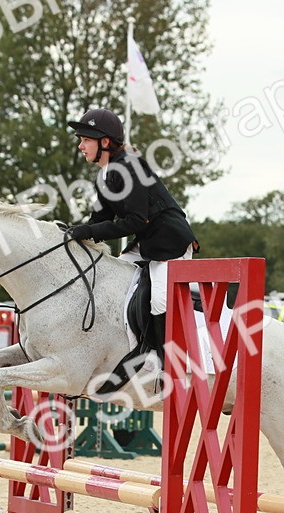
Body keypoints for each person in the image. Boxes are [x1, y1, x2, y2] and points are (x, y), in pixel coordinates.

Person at [64, 108, 198, 356]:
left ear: (104, 142)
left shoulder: (130, 167)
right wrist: (74, 232)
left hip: (170, 243)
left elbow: (136, 221)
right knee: (108, 281)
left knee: (159, 300)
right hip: (147, 244)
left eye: (85, 140)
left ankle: (165, 360)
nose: (81, 145)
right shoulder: (104, 176)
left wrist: (89, 230)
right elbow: (99, 220)